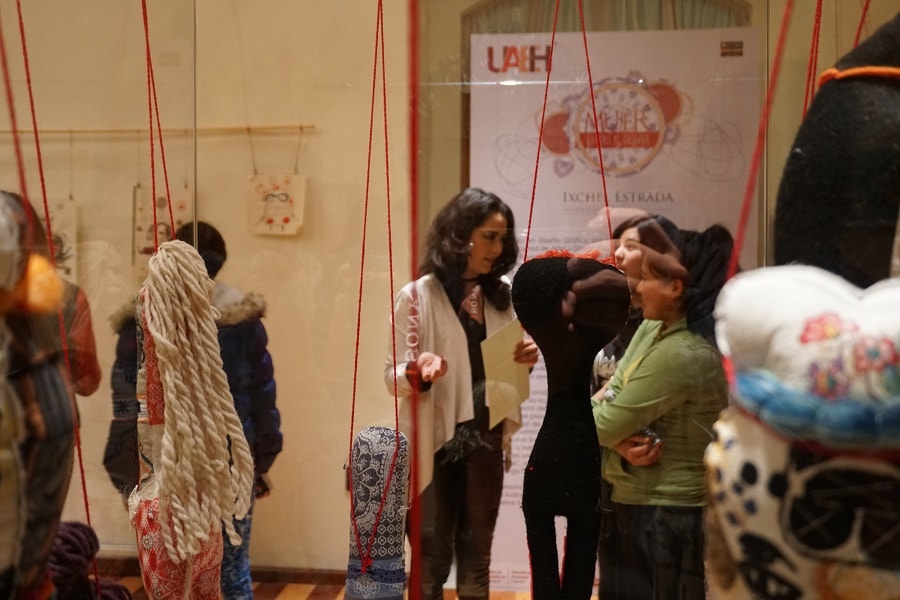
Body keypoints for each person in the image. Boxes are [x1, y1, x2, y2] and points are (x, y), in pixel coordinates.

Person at [104, 221, 282, 600]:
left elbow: (126, 400)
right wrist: (261, 461)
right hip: (223, 462)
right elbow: (262, 395)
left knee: (173, 580)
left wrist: (122, 469)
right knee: (229, 572)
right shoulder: (239, 319)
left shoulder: (144, 314)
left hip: (164, 469)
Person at [383, 187, 538, 600]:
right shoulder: (418, 295)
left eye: (502, 238)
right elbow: (391, 377)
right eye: (489, 236)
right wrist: (419, 371)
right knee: (431, 558)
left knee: (477, 557)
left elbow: (506, 371)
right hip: (435, 441)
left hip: (485, 437)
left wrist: (525, 359)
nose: (497, 248)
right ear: (459, 233)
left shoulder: (503, 295)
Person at [592, 221, 732, 599]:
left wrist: (610, 429)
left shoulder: (683, 352)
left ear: (675, 287)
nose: (638, 287)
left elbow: (602, 420)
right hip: (638, 504)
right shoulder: (651, 328)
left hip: (666, 515)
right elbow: (604, 407)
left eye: (649, 278)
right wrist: (615, 440)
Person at [511, 251, 630, 600]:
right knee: (582, 562)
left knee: (545, 574)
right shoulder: (594, 332)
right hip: (583, 458)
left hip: (547, 457)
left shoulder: (545, 323)